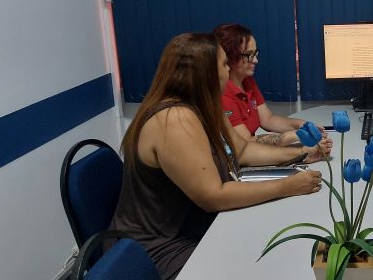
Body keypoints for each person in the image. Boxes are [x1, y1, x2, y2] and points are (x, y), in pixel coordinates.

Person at [109, 33, 328, 280]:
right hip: (158, 249)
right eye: (224, 63)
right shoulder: (174, 119)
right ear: (206, 73)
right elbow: (213, 196)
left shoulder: (205, 105)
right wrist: (287, 186)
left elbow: (242, 151)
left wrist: (300, 154)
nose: (229, 69)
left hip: (194, 228)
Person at [213, 23, 332, 153]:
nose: (255, 60)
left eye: (256, 53)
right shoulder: (223, 94)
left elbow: (268, 119)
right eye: (249, 55)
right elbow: (245, 143)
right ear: (229, 57)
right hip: (243, 158)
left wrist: (302, 125)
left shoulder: (247, 81)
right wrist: (298, 136)